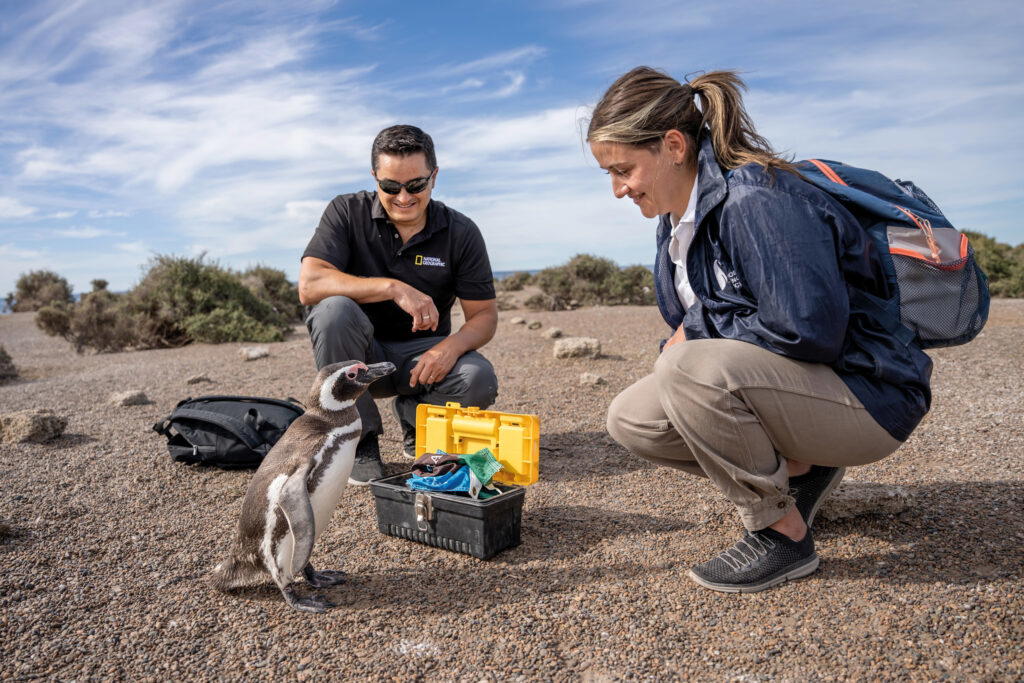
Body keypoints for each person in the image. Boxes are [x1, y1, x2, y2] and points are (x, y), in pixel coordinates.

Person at [589, 68, 931, 592]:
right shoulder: (675, 219)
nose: (617, 190)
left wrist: (697, 329)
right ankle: (801, 472)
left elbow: (810, 329)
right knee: (632, 418)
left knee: (685, 367)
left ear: (674, 145)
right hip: (810, 391)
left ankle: (782, 536)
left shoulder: (757, 199)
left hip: (870, 395)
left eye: (623, 170)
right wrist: (693, 333)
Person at [299, 124, 499, 485]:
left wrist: (449, 349)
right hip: (361, 355)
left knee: (477, 378)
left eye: (416, 185)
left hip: (421, 358)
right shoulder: (345, 212)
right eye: (390, 186)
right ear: (375, 177)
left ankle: (416, 417)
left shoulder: (461, 231)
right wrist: (393, 287)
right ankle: (360, 441)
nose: (403, 197)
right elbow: (310, 284)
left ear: (434, 177)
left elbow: (483, 316)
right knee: (332, 311)